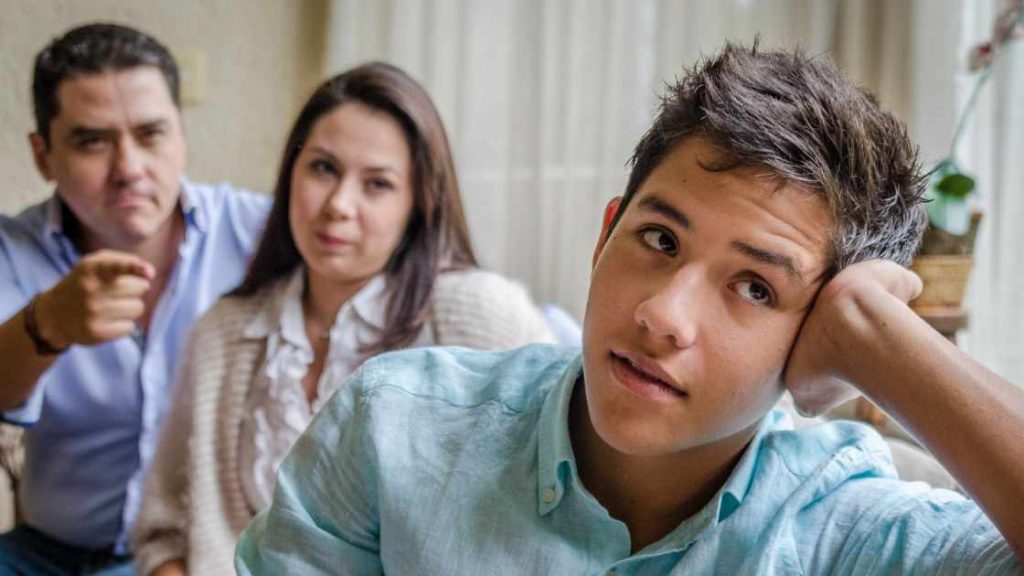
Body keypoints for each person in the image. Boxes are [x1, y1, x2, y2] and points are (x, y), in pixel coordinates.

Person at [235, 44, 1024, 574]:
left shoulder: (843, 532)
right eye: (658, 239)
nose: (662, 315)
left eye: (756, 287)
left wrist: (884, 343)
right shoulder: (394, 429)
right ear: (605, 234)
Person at [131, 62, 555, 575]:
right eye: (323, 168)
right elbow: (164, 532)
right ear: (291, 172)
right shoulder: (223, 331)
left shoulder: (483, 315)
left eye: (377, 184)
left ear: (419, 202)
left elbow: (559, 506)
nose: (338, 205)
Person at [0, 23, 270, 574]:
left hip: (197, 554)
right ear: (43, 154)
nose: (129, 168)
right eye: (91, 141)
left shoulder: (260, 234)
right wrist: (47, 323)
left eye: (150, 134)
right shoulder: (12, 250)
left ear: (181, 135)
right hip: (43, 555)